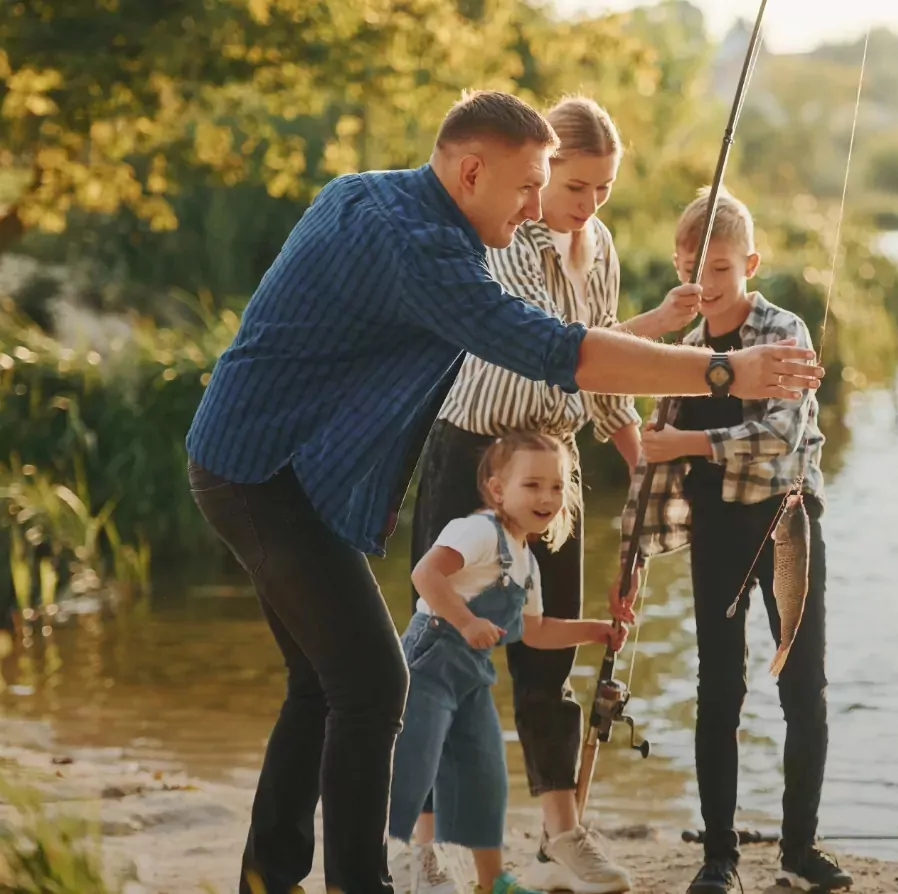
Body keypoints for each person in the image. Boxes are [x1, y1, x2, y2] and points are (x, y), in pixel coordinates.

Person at [184, 88, 824, 894]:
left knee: (324, 681)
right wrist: (722, 368)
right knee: (376, 683)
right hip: (259, 474)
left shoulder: (368, 192)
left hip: (284, 464)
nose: (536, 209)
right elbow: (561, 351)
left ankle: (268, 876)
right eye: (530, 187)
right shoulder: (422, 250)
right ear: (471, 171)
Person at [402, 95, 698, 894]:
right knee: (442, 658)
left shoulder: (596, 243)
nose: (587, 206)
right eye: (575, 187)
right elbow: (545, 348)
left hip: (553, 461)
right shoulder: (506, 239)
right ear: (542, 173)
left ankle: (563, 834)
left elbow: (603, 378)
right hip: (473, 454)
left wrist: (638, 458)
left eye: (603, 190)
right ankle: (423, 849)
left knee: (548, 657)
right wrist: (650, 332)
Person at [611, 188, 853, 893]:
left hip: (785, 525)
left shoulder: (786, 332)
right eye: (689, 267)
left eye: (718, 268)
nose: (704, 283)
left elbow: (778, 437)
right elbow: (605, 381)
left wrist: (683, 441)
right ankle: (718, 856)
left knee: (802, 688)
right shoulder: (682, 351)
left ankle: (799, 849)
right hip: (714, 527)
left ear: (749, 262)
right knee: (718, 689)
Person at [388, 432, 627, 894]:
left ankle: (491, 879)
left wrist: (595, 630)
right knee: (427, 761)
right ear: (498, 490)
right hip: (429, 661)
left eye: (558, 487)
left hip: (471, 675)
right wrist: (465, 620)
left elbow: (534, 631)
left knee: (485, 774)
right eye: (533, 485)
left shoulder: (525, 562)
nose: (547, 497)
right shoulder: (477, 530)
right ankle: (420, 862)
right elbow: (425, 574)